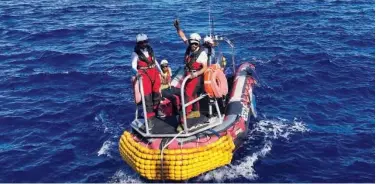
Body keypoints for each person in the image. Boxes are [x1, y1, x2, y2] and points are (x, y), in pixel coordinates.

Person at [173, 25, 208, 132]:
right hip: (188, 75)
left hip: (195, 78)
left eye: (195, 44)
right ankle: (196, 111)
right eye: (191, 43)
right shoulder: (190, 46)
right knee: (191, 94)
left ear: (198, 43)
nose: (193, 45)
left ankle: (183, 123)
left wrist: (196, 74)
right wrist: (178, 29)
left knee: (186, 97)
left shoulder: (202, 54)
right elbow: (183, 37)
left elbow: (204, 68)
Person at [131, 33, 162, 128]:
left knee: (157, 92)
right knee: (147, 96)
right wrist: (137, 73)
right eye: (141, 42)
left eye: (145, 42)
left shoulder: (150, 50)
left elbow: (155, 61)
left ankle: (157, 109)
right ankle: (149, 118)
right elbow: (133, 66)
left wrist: (161, 72)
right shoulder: (135, 54)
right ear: (138, 43)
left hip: (154, 72)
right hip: (144, 74)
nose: (144, 44)